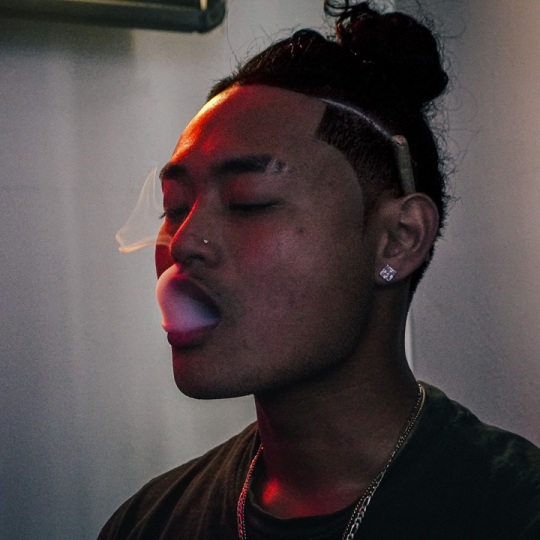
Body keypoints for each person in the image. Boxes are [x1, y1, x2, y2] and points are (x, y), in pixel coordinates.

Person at [99, 1, 540, 538]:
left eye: (248, 201)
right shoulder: (147, 524)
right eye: (174, 208)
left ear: (399, 239)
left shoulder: (515, 512)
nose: (183, 242)